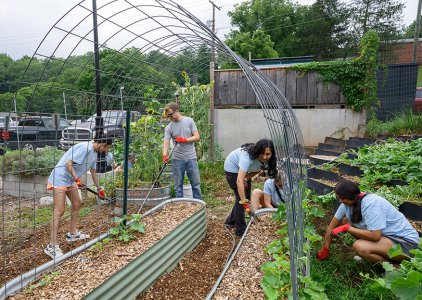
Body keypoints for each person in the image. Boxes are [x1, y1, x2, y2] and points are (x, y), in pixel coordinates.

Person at [317, 180, 419, 263]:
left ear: (351, 196)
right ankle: (374, 252)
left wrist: (349, 229)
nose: (340, 201)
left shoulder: (371, 204)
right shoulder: (346, 205)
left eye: (342, 198)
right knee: (345, 220)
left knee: (359, 246)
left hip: (405, 244)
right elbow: (331, 226)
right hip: (387, 238)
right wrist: (325, 248)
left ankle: (392, 269)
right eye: (339, 198)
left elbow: (375, 236)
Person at [44, 137, 112, 259]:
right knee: (60, 210)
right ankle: (51, 246)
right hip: (60, 177)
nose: (106, 151)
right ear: (102, 144)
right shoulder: (85, 147)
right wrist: (77, 180)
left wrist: (98, 188)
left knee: (77, 202)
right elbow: (68, 163)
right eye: (106, 148)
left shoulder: (95, 153)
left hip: (70, 179)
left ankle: (73, 233)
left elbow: (93, 172)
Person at [224, 139, 277, 240]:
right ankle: (240, 231)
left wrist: (247, 178)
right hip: (232, 169)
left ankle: (230, 222)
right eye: (262, 154)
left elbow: (259, 168)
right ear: (257, 151)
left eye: (268, 154)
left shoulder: (269, 160)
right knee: (241, 200)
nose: (265, 157)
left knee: (246, 197)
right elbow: (239, 181)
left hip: (244, 173)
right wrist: (245, 204)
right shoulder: (246, 157)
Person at [162, 102, 202, 199]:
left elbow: (197, 137)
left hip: (191, 157)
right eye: (168, 116)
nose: (169, 118)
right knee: (178, 186)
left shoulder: (189, 121)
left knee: (196, 184)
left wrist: (185, 140)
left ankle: (198, 205)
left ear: (177, 111)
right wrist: (164, 155)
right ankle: (180, 205)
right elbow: (166, 142)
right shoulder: (169, 127)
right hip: (177, 159)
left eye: (171, 115)